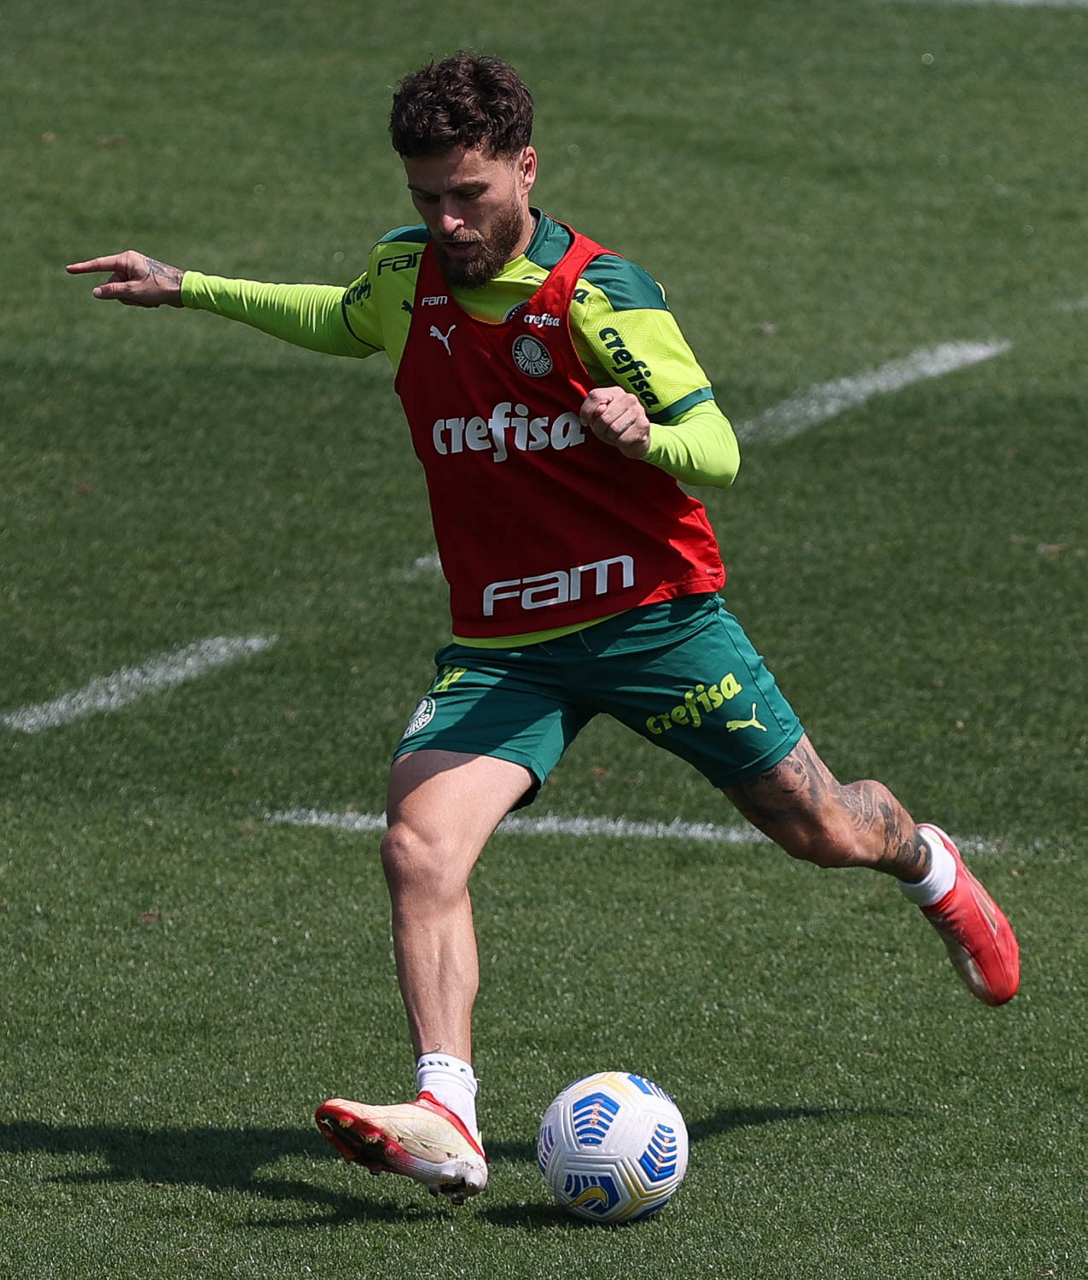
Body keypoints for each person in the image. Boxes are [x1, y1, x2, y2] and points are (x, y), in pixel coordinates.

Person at [68, 52, 1019, 1206]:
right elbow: (343, 316)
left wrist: (645, 433)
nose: (446, 220)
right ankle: (448, 1114)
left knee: (822, 829)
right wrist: (189, 286)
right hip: (505, 644)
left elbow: (717, 448)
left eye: (467, 193)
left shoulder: (598, 296)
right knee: (418, 843)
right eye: (425, 195)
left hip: (655, 621)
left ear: (525, 167)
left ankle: (926, 862)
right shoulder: (406, 274)